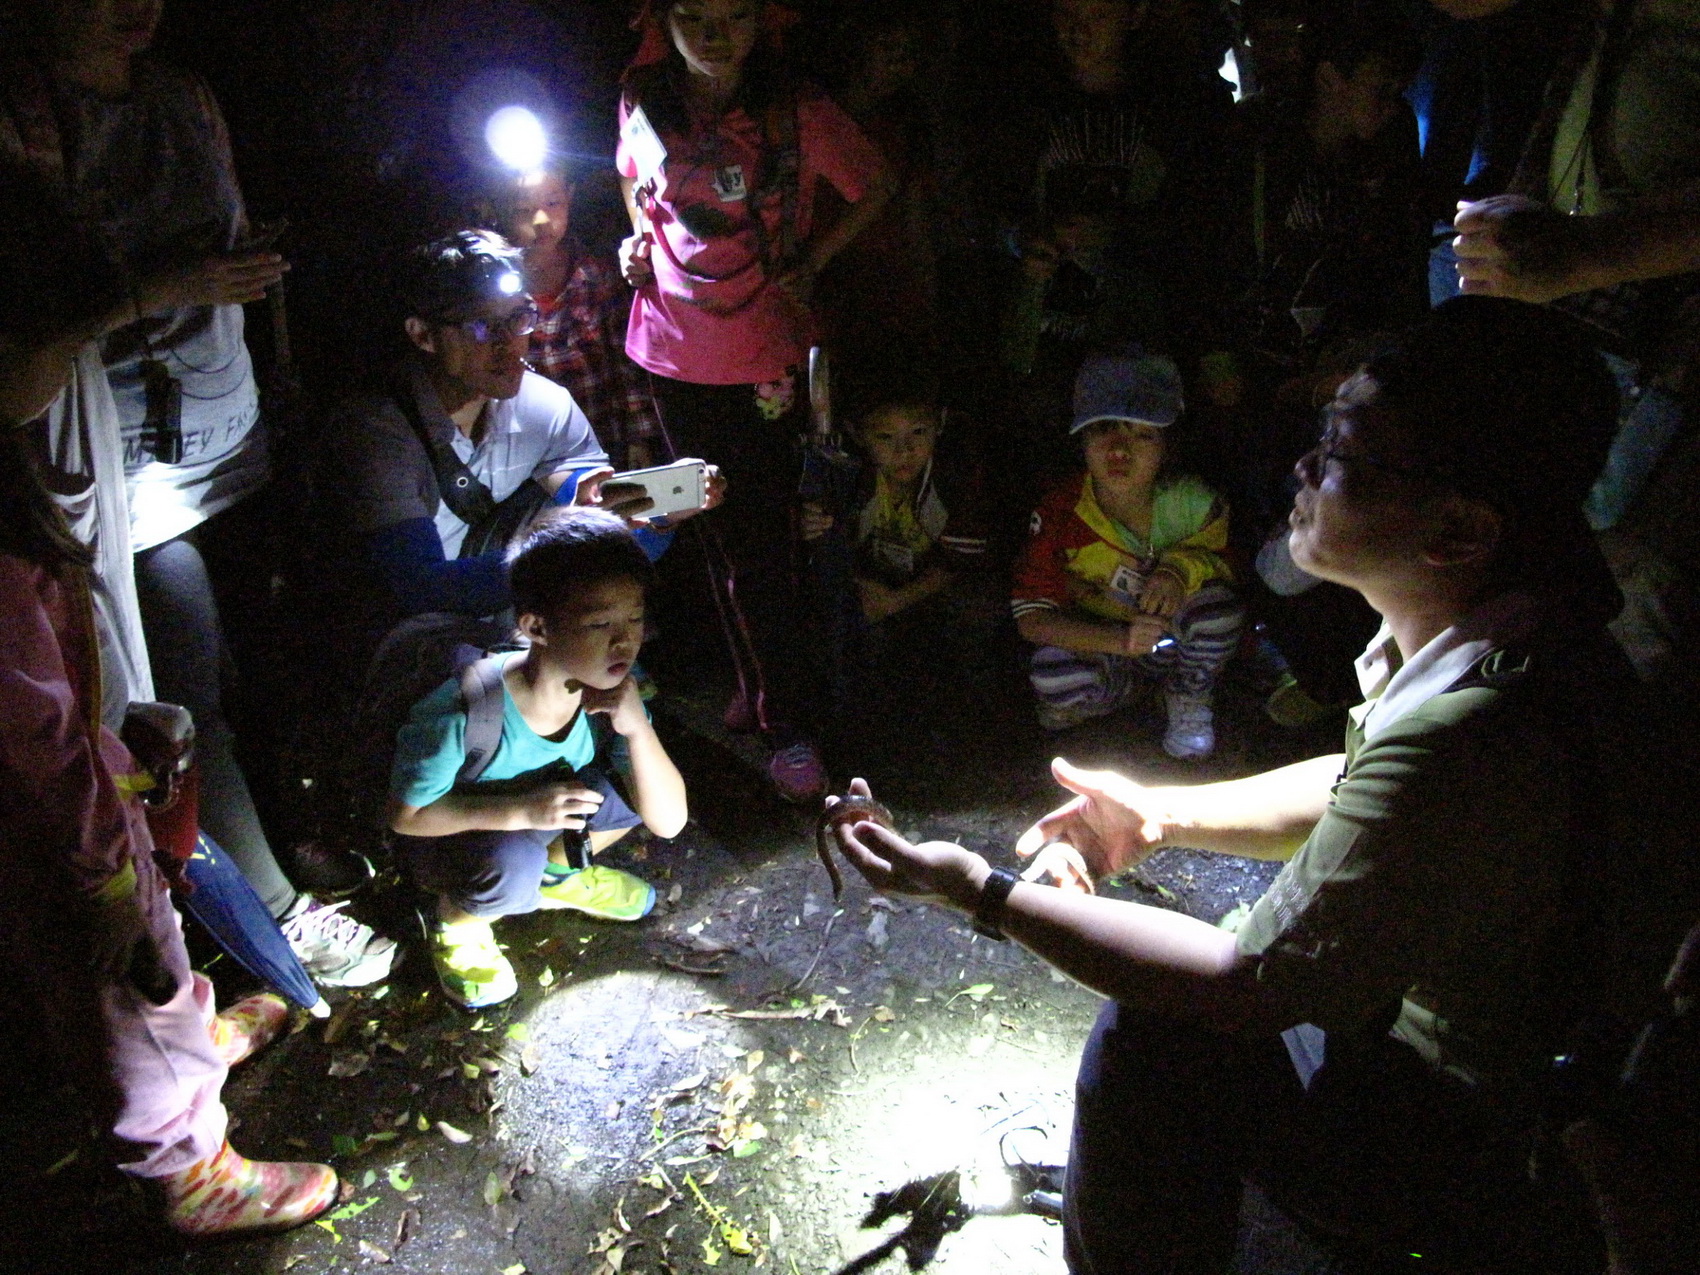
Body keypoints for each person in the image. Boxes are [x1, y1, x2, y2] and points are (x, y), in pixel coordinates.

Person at [829, 298, 1684, 1273]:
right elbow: (1359, 784)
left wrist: (976, 891)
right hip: (1475, 1040)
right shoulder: (1517, 624)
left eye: (1343, 452)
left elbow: (1242, 987)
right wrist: (1159, 812)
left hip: (1473, 1140)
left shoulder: (1473, 732)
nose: (1303, 468)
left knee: (1157, 1034)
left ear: (1456, 527)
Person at [0, 0, 394, 988]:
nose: (134, 7)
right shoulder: (26, 124)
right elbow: (37, 317)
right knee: (186, 698)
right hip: (128, 468)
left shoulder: (185, 99)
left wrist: (243, 274)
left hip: (232, 432)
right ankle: (270, 912)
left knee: (267, 668)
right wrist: (172, 284)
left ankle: (280, 840)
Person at [0, 402, 336, 1238]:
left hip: (88, 792)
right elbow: (36, 744)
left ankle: (187, 1041)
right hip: (63, 833)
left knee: (154, 950)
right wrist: (103, 873)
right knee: (124, 983)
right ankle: (188, 1166)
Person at [616, 0, 892, 803]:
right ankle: (760, 683)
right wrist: (638, 239)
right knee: (706, 522)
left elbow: (875, 183)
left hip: (762, 356)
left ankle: (785, 721)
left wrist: (815, 258)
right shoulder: (643, 97)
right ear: (664, 20)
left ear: (764, 20)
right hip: (669, 349)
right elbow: (633, 176)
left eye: (734, 14)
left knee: (765, 540)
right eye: (694, 15)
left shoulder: (793, 109)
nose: (714, 34)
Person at [388, 509, 687, 1009]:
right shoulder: (464, 714)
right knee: (510, 863)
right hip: (460, 840)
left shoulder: (608, 690)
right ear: (537, 627)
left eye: (634, 618)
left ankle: (554, 879)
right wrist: (522, 811)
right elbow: (406, 817)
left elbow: (669, 821)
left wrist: (637, 730)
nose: (625, 640)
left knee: (642, 780)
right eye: (599, 623)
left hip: (541, 817)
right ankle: (458, 923)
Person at [336, 229, 666, 627]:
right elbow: (416, 589)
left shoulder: (543, 405)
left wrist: (659, 513)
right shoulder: (378, 432)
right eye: (480, 326)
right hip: (409, 630)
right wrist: (566, 548)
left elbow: (612, 539)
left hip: (500, 604)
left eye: (518, 318)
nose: (507, 343)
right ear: (423, 335)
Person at [1013, 352, 1243, 758]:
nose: (1119, 450)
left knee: (1217, 612)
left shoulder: (1195, 503)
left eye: (1142, 434)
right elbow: (1032, 618)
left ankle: (1187, 694)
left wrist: (1178, 571)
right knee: (1053, 673)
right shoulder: (1060, 512)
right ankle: (1132, 696)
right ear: (1081, 439)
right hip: (1108, 645)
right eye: (1103, 430)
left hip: (1173, 643)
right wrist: (1121, 641)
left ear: (1168, 442)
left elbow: (1231, 571)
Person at [799, 393, 994, 716]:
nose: (904, 451)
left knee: (976, 607)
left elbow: (960, 559)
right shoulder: (849, 476)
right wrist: (811, 524)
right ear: (859, 434)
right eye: (885, 437)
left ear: (939, 425)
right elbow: (828, 549)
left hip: (932, 586)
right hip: (870, 585)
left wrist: (897, 600)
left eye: (918, 432)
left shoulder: (954, 474)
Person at [504, 164, 663, 472]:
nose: (541, 220)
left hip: (601, 437)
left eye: (553, 203)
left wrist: (639, 438)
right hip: (527, 450)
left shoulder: (595, 274)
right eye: (524, 209)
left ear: (570, 196)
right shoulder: (495, 288)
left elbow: (625, 362)